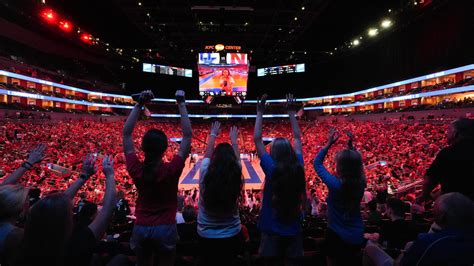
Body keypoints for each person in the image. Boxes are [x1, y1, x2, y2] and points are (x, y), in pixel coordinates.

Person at [123, 90, 192, 266]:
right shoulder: (171, 170)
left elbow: (126, 134)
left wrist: (139, 104)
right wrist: (181, 103)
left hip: (141, 226)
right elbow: (187, 136)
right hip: (165, 227)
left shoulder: (136, 169)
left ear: (143, 148)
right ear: (165, 149)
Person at [14, 154, 117, 266]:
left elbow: (58, 205)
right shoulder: (77, 241)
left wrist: (84, 176)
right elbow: (107, 210)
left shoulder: (21, 242)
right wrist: (110, 175)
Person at [254, 94, 306, 264]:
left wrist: (260, 112)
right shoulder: (298, 165)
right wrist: (292, 112)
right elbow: (298, 138)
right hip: (294, 228)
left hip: (271, 228)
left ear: (274, 153)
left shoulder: (272, 168)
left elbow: (257, 140)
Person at [364, 192, 474, 266]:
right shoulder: (468, 238)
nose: (431, 212)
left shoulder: (428, 242)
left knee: (369, 247)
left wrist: (407, 250)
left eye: (434, 210)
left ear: (442, 216)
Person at [314, 128, 366, 266]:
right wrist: (351, 147)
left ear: (340, 167)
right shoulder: (362, 182)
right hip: (356, 234)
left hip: (336, 234)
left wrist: (329, 143)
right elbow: (357, 164)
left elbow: (317, 163)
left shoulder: (335, 184)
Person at [197, 122, 244, 265]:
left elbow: (207, 153)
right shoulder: (236, 171)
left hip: (205, 234)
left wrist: (213, 134)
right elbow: (237, 159)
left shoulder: (205, 170)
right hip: (232, 233)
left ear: (214, 158)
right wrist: (234, 141)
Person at [421, 118, 474, 201]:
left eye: (448, 130)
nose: (446, 133)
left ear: (455, 133)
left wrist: (425, 195)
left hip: (457, 205)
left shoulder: (448, 153)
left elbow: (430, 181)